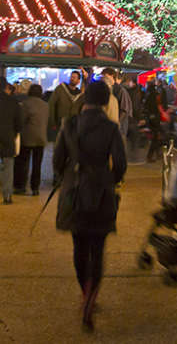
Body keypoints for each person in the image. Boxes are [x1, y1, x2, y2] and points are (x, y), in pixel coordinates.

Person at [53, 81, 126, 333]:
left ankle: (84, 291)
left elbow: (57, 161)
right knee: (98, 247)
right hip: (101, 194)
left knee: (79, 247)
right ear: (106, 102)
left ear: (85, 99)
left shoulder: (69, 125)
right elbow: (120, 164)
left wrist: (72, 176)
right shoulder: (111, 128)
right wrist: (108, 180)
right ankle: (91, 297)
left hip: (74, 192)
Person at [14, 83, 48, 196]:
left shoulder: (25, 104)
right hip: (41, 138)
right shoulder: (46, 105)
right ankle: (35, 188)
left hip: (27, 138)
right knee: (37, 164)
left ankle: (21, 186)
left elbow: (21, 120)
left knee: (23, 163)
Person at [48, 70, 82, 135]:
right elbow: (51, 104)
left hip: (73, 126)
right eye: (71, 77)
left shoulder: (79, 95)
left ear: (78, 81)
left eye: (74, 77)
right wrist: (52, 122)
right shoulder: (61, 89)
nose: (72, 79)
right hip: (60, 124)